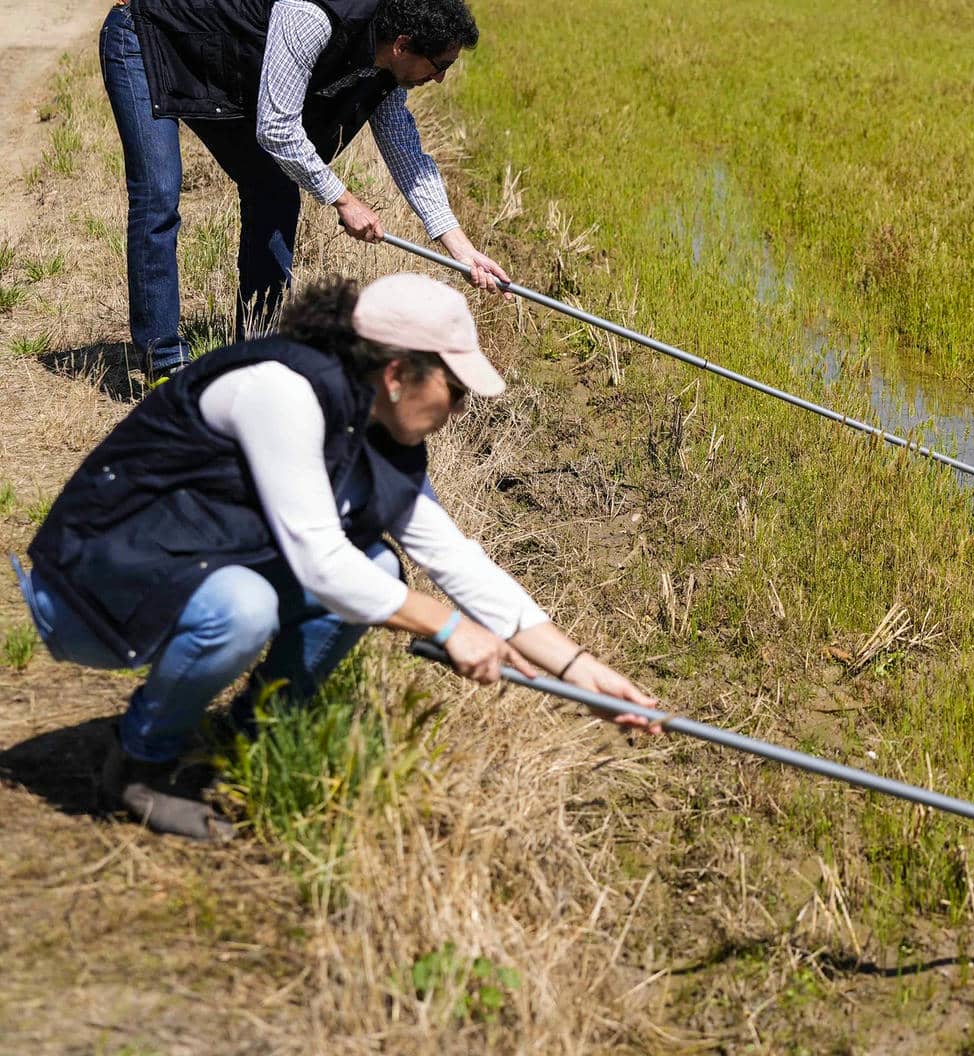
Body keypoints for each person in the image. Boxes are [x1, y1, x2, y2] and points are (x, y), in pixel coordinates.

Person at [16, 273, 660, 842]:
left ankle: (250, 744)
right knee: (248, 605)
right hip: (91, 592)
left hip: (181, 569)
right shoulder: (282, 391)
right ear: (397, 374)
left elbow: (454, 560)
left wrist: (580, 671)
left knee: (377, 569)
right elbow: (320, 560)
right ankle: (140, 765)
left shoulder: (377, 429)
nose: (459, 410)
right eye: (455, 389)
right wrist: (447, 627)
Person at [101, 0, 510, 386]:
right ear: (403, 45)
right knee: (159, 194)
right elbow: (277, 129)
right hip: (146, 34)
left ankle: (259, 350)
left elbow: (406, 154)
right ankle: (164, 359)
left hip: (214, 62)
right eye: (440, 64)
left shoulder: (385, 70)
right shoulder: (312, 17)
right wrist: (344, 200)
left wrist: (461, 249)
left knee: (274, 188)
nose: (440, 78)